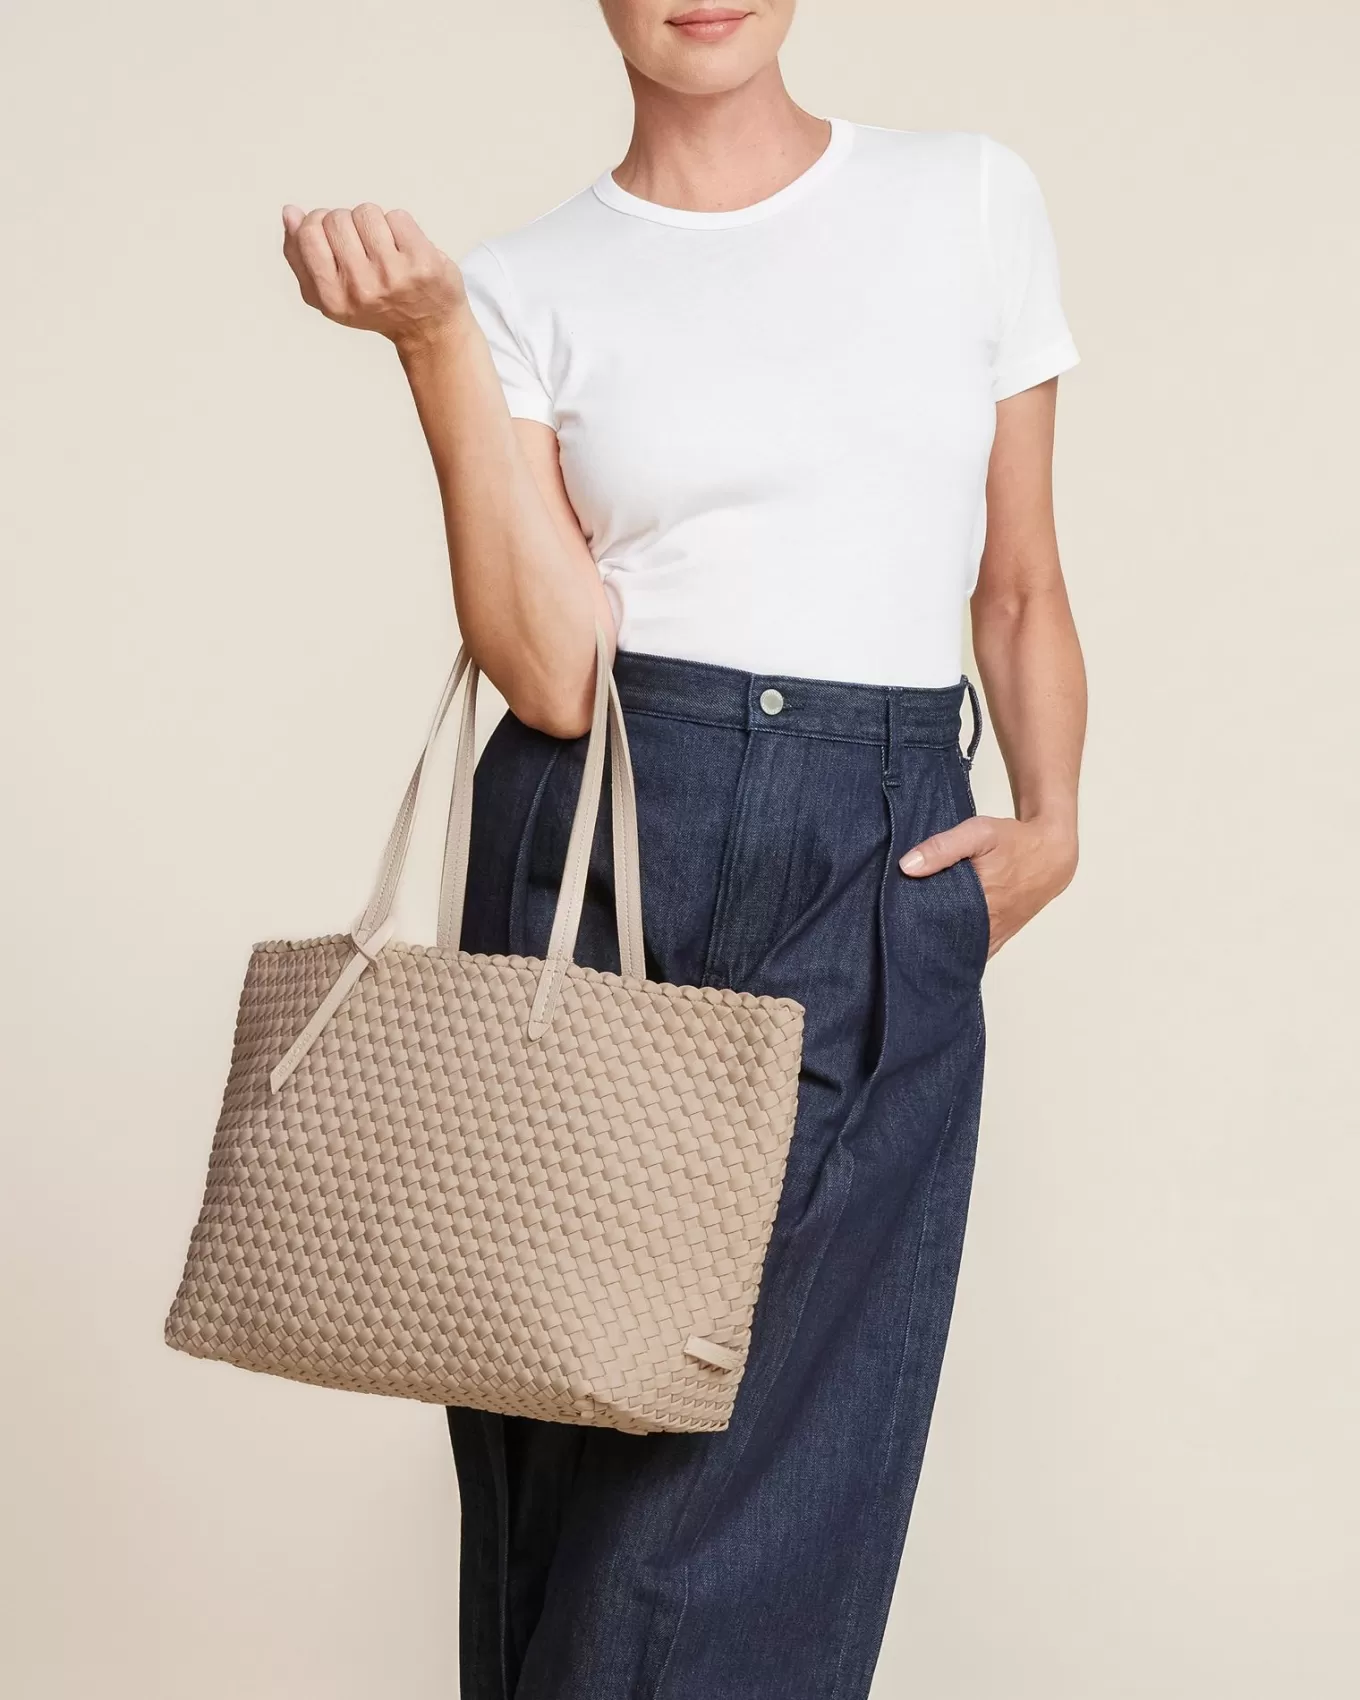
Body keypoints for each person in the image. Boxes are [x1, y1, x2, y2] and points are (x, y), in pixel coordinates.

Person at [280, 2, 1086, 1694]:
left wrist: (1052, 825)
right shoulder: (519, 284)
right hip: (601, 837)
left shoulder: (967, 199)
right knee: (562, 1473)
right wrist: (434, 345)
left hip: (875, 845)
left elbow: (1017, 581)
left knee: (750, 1499)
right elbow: (553, 673)